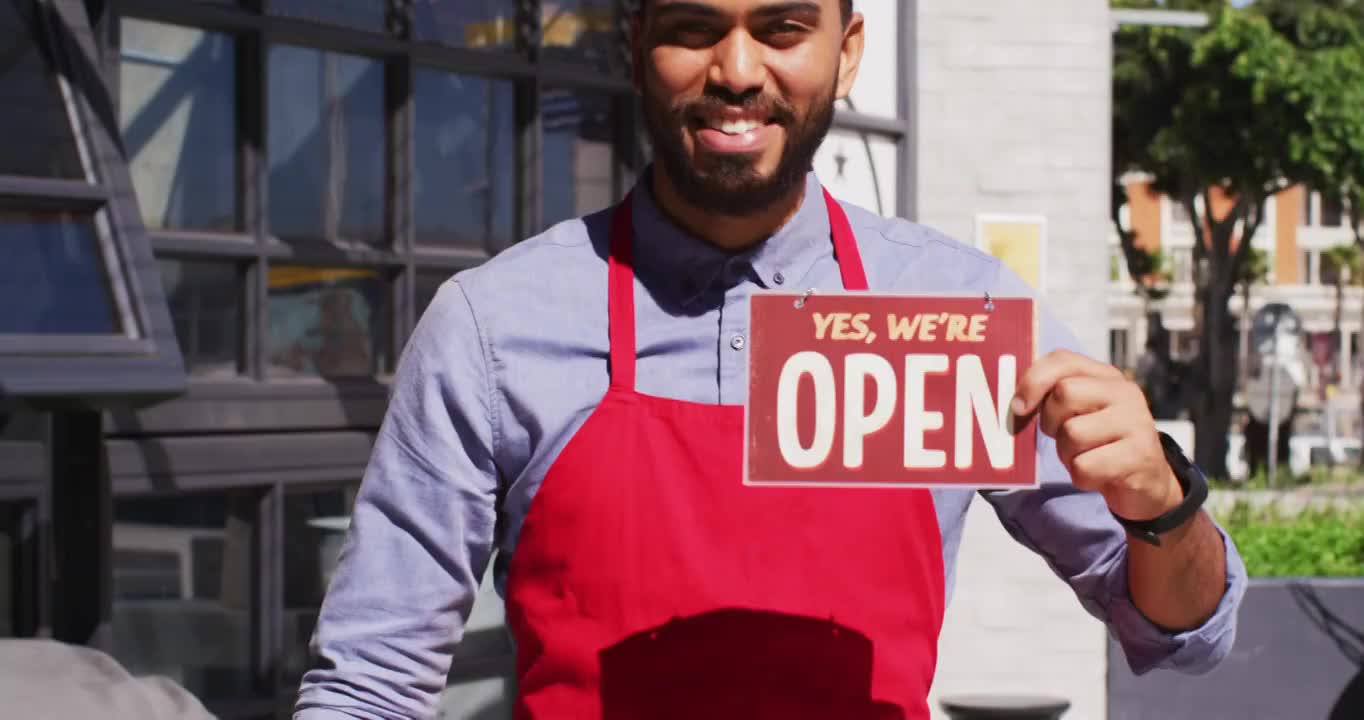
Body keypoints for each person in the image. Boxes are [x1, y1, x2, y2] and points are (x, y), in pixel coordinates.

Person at [294, 1, 1247, 718]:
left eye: (783, 27)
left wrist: (1163, 507)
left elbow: (1184, 630)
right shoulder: (493, 328)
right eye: (693, 27)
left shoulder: (964, 314)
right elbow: (371, 682)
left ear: (848, 52)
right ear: (636, 46)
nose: (738, 70)